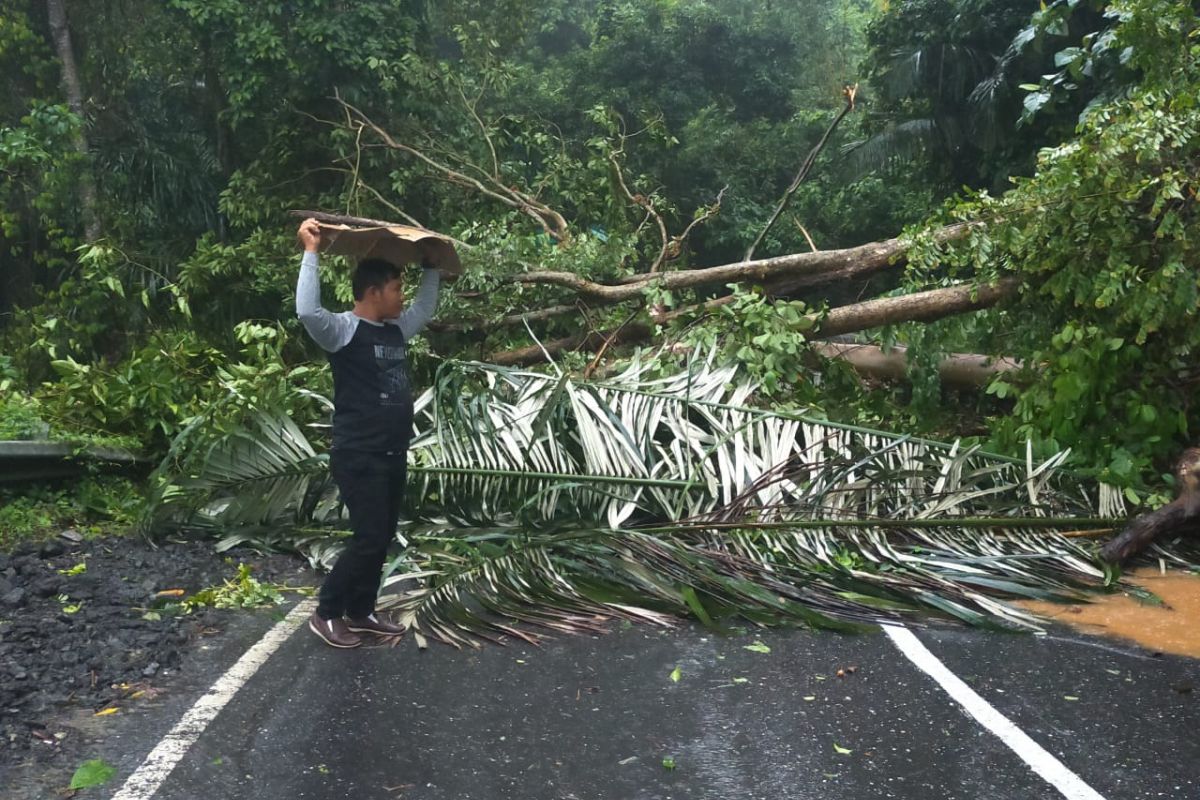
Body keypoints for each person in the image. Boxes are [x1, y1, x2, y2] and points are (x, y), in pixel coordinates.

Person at [295, 217, 442, 648]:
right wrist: (311, 252)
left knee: (380, 538)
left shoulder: (396, 330)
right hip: (358, 453)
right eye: (397, 289)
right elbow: (307, 310)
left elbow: (425, 310)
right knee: (369, 537)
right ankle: (327, 612)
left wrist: (431, 267)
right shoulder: (342, 331)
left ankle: (360, 612)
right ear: (374, 292)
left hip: (393, 451)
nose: (403, 298)